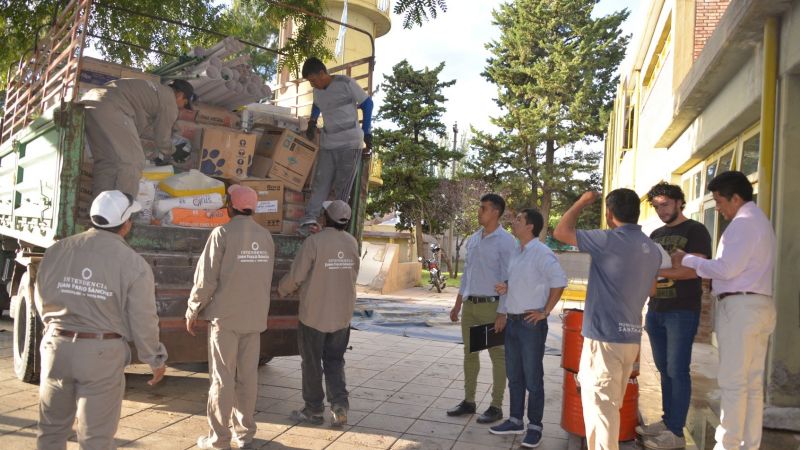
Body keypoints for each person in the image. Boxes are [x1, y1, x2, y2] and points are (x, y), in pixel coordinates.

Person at [34, 190, 168, 449]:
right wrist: (154, 358)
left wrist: (53, 329)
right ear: (126, 224)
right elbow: (143, 319)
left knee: (50, 431)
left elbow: (41, 295)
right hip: (101, 354)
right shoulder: (134, 264)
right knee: (95, 438)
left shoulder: (57, 250)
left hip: (56, 347)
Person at [672, 171, 775, 450]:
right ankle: (747, 444)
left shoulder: (743, 224)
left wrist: (688, 259)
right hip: (757, 305)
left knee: (733, 382)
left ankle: (727, 444)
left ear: (736, 198)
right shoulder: (760, 221)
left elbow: (726, 269)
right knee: (751, 384)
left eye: (719, 201)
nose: (717, 208)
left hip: (741, 308)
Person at [553, 189, 662, 450]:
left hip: (605, 341)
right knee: (607, 408)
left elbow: (561, 232)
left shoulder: (608, 240)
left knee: (602, 411)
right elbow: (652, 290)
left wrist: (581, 202)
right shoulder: (652, 248)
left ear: (609, 213)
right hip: (630, 340)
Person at [185, 184, 275, 449]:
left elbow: (206, 279)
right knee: (248, 379)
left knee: (222, 379)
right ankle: (245, 436)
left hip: (226, 320)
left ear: (230, 207)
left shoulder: (221, 234)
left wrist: (193, 309)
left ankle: (219, 439)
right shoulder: (266, 237)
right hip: (254, 319)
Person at [636, 182, 711, 449]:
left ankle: (676, 433)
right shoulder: (655, 234)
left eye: (665, 204)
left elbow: (694, 270)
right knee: (664, 370)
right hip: (656, 309)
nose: (661, 210)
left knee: (677, 370)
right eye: (656, 207)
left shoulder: (695, 230)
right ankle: (668, 422)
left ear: (679, 202)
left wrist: (658, 271)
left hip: (682, 311)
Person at [489, 208, 567, 448]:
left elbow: (559, 282)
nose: (514, 222)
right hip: (512, 322)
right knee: (514, 375)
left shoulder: (541, 252)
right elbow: (519, 281)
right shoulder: (517, 251)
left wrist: (545, 311)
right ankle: (515, 420)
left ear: (530, 226)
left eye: (519, 219)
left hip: (530, 324)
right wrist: (506, 289)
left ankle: (535, 426)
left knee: (533, 378)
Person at [278, 200, 360, 427]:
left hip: (314, 315)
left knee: (312, 363)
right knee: (335, 361)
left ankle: (314, 410)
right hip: (342, 316)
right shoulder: (352, 242)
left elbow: (296, 276)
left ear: (325, 218)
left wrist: (281, 290)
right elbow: (352, 273)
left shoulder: (313, 242)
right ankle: (340, 406)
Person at [448, 193, 517, 424]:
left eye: (483, 208)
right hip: (471, 306)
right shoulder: (474, 239)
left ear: (496, 212)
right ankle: (469, 401)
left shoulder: (506, 241)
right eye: (480, 207)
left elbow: (509, 279)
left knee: (497, 356)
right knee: (470, 354)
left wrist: (502, 312)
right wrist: (458, 304)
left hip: (491, 307)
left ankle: (496, 406)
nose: (479, 211)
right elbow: (467, 275)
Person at [298, 57, 374, 236]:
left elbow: (367, 103)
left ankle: (336, 225)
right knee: (321, 183)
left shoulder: (346, 83)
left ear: (322, 73)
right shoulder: (318, 91)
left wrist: (367, 131)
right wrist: (312, 121)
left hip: (350, 143)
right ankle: (310, 219)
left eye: (314, 80)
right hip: (329, 142)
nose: (313, 84)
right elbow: (317, 104)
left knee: (342, 187)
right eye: (310, 82)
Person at [82, 78, 194, 198]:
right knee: (134, 161)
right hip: (113, 106)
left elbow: (140, 130)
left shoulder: (155, 91)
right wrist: (174, 151)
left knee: (107, 163)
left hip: (91, 103)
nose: (182, 107)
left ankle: (100, 208)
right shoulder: (170, 101)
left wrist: (157, 151)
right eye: (185, 103)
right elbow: (162, 139)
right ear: (180, 95)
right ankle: (123, 207)